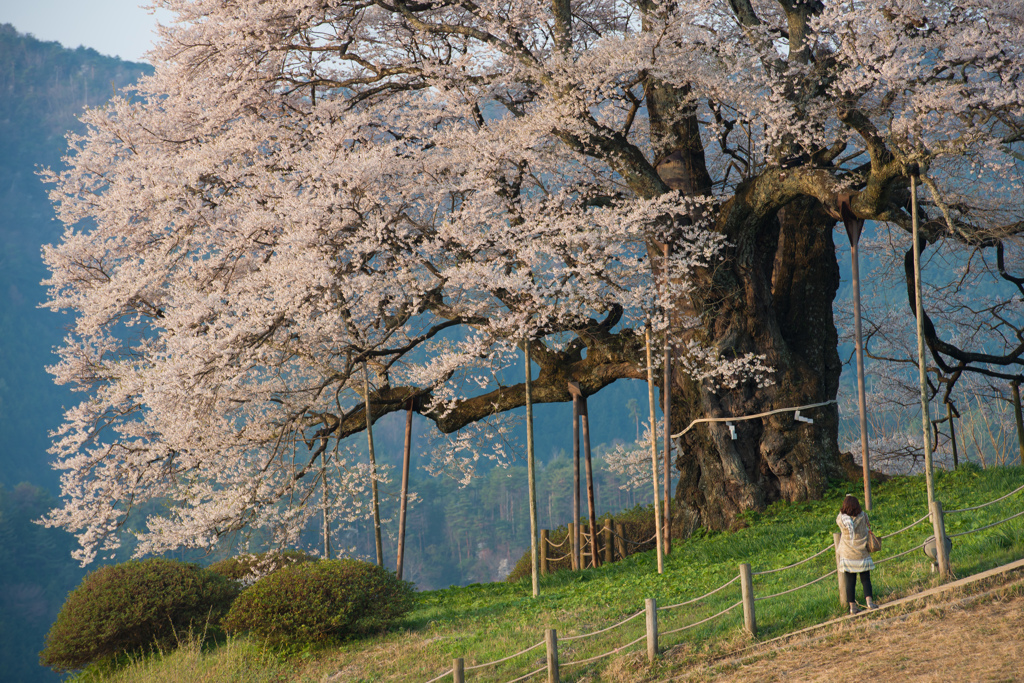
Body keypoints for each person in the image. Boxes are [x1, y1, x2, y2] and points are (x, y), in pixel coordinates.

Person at [836, 494, 877, 614]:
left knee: (850, 582)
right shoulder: (863, 516)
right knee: (865, 579)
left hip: (847, 554)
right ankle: (869, 603)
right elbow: (867, 527)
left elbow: (840, 515)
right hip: (862, 553)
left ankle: (852, 607)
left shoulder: (841, 520)